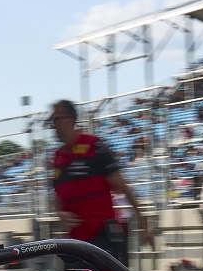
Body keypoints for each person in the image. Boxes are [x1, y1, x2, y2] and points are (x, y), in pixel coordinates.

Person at [46, 100, 154, 256]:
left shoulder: (93, 145)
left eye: (56, 119)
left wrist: (144, 224)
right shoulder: (57, 156)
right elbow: (57, 196)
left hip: (103, 238)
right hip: (75, 242)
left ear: (70, 120)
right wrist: (60, 213)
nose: (53, 125)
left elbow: (123, 186)